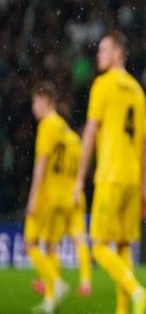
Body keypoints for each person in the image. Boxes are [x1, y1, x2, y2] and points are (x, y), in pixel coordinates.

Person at [74, 31, 146, 314]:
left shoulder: (103, 84)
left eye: (104, 49)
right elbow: (145, 145)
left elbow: (90, 133)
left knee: (98, 247)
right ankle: (124, 310)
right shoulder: (137, 91)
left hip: (110, 176)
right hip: (132, 179)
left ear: (118, 54)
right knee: (122, 247)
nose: (99, 55)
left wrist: (79, 178)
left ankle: (136, 291)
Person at [25, 81, 72, 313]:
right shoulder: (64, 127)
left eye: (36, 102)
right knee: (52, 248)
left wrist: (33, 196)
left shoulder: (46, 125)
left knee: (30, 244)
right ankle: (51, 301)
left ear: (46, 101)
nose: (34, 107)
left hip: (47, 194)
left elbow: (41, 164)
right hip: (64, 195)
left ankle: (56, 283)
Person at [31, 124, 93, 299]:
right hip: (75, 195)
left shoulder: (54, 136)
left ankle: (50, 280)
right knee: (80, 239)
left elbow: (45, 163)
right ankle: (85, 282)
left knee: (51, 243)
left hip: (57, 196)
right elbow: (83, 166)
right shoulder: (76, 141)